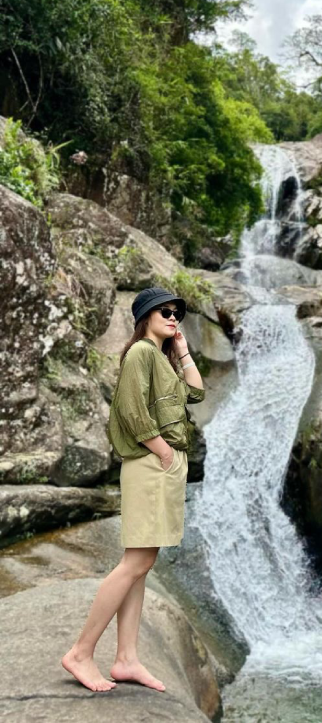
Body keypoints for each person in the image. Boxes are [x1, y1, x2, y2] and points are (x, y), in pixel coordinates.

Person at [61, 286, 206, 692]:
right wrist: (161, 452)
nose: (174, 316)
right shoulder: (141, 352)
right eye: (165, 311)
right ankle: (81, 652)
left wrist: (182, 350)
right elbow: (129, 408)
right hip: (151, 463)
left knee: (141, 566)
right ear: (145, 315)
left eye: (177, 312)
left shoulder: (161, 359)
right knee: (134, 565)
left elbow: (195, 391)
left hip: (161, 464)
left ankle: (126, 658)